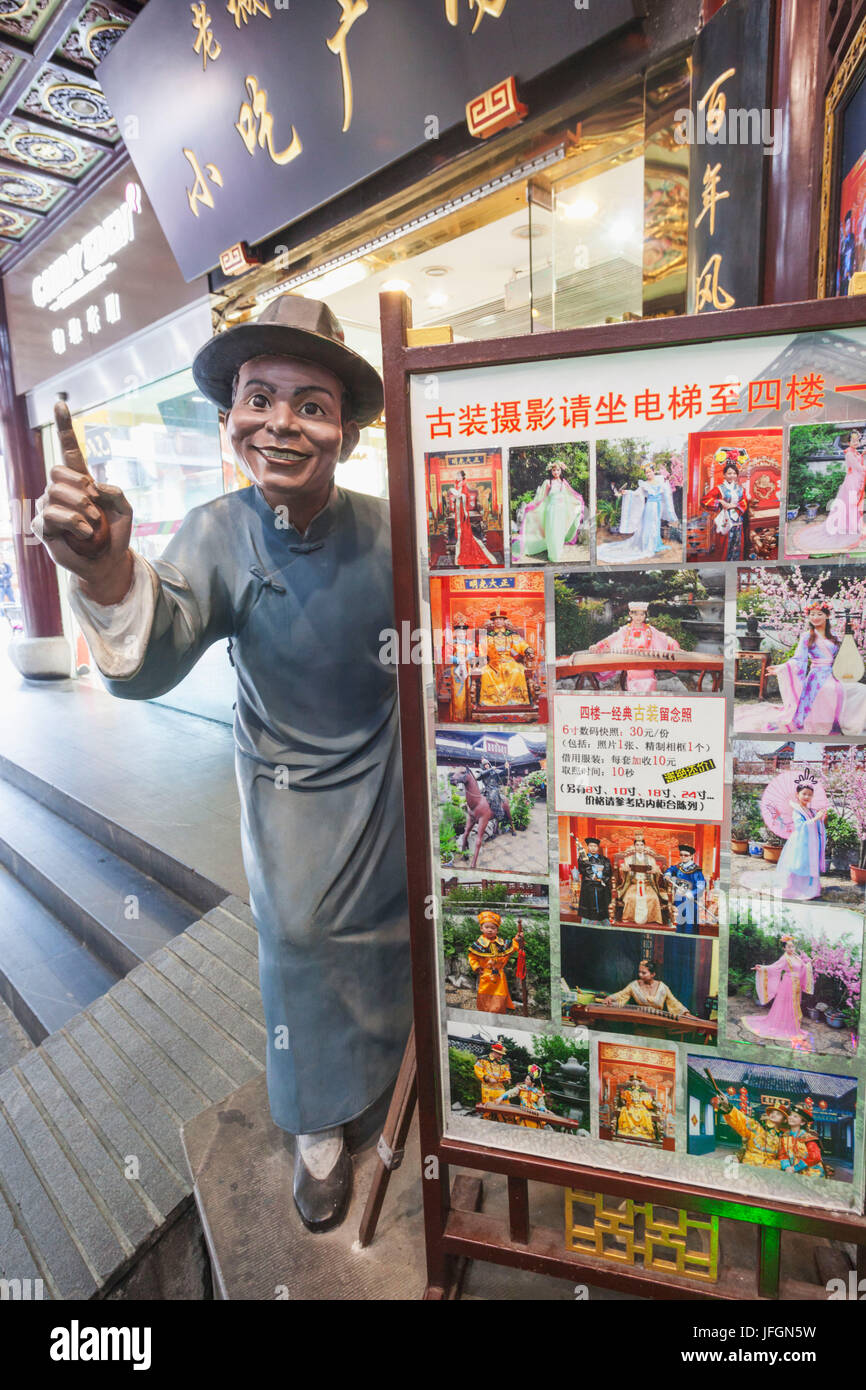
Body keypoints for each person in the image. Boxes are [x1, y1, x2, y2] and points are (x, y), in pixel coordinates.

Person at [33, 294, 412, 1235]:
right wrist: (107, 572)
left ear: (350, 436)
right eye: (260, 397)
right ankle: (318, 1122)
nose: (282, 422)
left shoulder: (388, 525)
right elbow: (157, 647)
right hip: (285, 776)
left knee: (409, 923)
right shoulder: (214, 529)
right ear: (230, 419)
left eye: (311, 404)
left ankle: (408, 1072)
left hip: (389, 762)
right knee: (298, 932)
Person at [584, 600, 681, 695]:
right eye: (636, 614)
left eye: (642, 614)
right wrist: (598, 645)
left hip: (647, 663)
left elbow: (665, 638)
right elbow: (611, 639)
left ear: (645, 615)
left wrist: (675, 646)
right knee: (634, 686)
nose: (639, 617)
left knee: (649, 683)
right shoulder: (626, 630)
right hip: (632, 664)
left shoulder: (650, 630)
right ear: (630, 614)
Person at [796, 429, 865, 553]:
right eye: (853, 440)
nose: (856, 442)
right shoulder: (849, 453)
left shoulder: (854, 452)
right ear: (848, 442)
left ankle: (851, 527)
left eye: (857, 440)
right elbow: (859, 468)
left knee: (852, 506)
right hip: (851, 483)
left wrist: (863, 454)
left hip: (854, 481)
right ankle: (845, 528)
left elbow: (859, 464)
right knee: (849, 506)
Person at [597, 465, 679, 564]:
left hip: (658, 507)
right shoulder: (645, 484)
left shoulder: (660, 480)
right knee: (649, 525)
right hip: (650, 506)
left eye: (650, 472)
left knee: (655, 525)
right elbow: (636, 493)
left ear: (653, 471)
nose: (648, 474)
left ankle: (655, 544)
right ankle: (648, 546)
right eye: (646, 473)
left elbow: (666, 494)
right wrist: (626, 492)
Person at [743, 934, 814, 1043]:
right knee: (786, 1004)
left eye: (792, 946)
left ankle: (791, 1025)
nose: (791, 948)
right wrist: (762, 968)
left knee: (794, 1005)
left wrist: (811, 963)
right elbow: (774, 967)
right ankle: (785, 1026)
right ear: (784, 948)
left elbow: (803, 968)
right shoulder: (785, 958)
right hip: (788, 984)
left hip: (796, 985)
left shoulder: (796, 957)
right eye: (789, 947)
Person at [514, 458, 585, 563]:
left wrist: (578, 502)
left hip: (561, 511)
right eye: (554, 470)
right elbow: (542, 498)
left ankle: (557, 551)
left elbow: (570, 496)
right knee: (552, 531)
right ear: (551, 471)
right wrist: (532, 506)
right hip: (551, 511)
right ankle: (553, 555)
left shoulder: (564, 483)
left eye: (558, 470)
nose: (556, 472)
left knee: (559, 532)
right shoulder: (548, 482)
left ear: (561, 471)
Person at [773, 774, 827, 901]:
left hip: (811, 841)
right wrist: (816, 818)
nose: (807, 797)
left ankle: (809, 889)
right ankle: (791, 889)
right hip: (800, 842)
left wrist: (819, 818)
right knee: (797, 864)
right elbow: (800, 826)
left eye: (809, 794)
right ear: (798, 794)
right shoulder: (797, 810)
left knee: (809, 865)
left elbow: (815, 825)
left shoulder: (811, 810)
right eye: (804, 793)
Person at [466, 910, 522, 1014]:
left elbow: (513, 947)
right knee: (484, 994)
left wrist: (517, 939)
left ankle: (498, 1012)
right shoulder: (478, 945)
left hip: (499, 976)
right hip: (486, 975)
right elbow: (472, 957)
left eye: (493, 928)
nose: (490, 930)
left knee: (500, 995)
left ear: (497, 930)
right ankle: (484, 1012)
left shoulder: (502, 944)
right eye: (487, 927)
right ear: (481, 928)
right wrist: (476, 966)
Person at [478, 607, 533, 708]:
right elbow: (482, 651)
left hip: (509, 661)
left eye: (501, 619)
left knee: (516, 671)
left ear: (504, 621)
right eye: (496, 619)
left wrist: (527, 650)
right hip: (493, 663)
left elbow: (521, 645)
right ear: (493, 622)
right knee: (486, 673)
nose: (498, 621)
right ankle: (491, 700)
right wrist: (481, 661)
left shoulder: (511, 635)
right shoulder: (487, 636)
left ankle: (515, 699)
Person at [603, 958, 690, 1018]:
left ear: (653, 974)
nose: (640, 975)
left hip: (658, 1022)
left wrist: (686, 1013)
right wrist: (610, 998)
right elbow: (621, 994)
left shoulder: (662, 987)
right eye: (639, 972)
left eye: (644, 973)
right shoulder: (634, 985)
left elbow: (674, 1003)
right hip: (640, 1021)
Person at [701, 453, 749, 561]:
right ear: (724, 475)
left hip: (738, 519)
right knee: (724, 544)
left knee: (737, 543)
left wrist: (734, 505)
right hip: (725, 518)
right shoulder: (719, 488)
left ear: (737, 474)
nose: (731, 476)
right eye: (729, 473)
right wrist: (720, 502)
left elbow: (744, 501)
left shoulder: (740, 489)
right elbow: (705, 500)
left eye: (734, 473)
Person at [716, 1095, 785, 1168]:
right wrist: (728, 1107)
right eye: (772, 1112)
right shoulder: (756, 1126)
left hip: (768, 1170)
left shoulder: (784, 1137)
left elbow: (784, 1158)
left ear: (784, 1120)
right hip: (749, 1165)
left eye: (778, 1114)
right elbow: (741, 1120)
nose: (774, 1115)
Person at [451, 469, 497, 567]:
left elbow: (466, 496)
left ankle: (464, 547)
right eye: (457, 475)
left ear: (463, 476)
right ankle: (461, 544)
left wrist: (460, 496)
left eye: (459, 475)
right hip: (458, 510)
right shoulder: (457, 485)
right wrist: (454, 498)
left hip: (462, 510)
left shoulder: (464, 485)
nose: (457, 477)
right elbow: (456, 498)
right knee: (460, 530)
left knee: (464, 531)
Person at [617, 834, 664, 925]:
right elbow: (622, 870)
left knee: (653, 898)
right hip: (633, 884)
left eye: (641, 845)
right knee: (630, 897)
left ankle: (653, 918)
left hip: (647, 884)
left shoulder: (650, 859)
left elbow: (658, 870)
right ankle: (629, 917)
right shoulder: (628, 858)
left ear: (644, 846)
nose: (639, 847)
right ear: (634, 846)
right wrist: (624, 870)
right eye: (637, 845)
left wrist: (655, 871)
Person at [663, 844, 706, 934]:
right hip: (679, 899)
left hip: (690, 900)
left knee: (689, 924)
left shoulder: (696, 871)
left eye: (686, 855)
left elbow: (701, 887)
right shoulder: (679, 867)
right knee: (680, 922)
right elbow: (671, 869)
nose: (683, 857)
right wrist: (668, 874)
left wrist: (692, 893)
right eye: (681, 855)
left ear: (691, 856)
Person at [573, 835, 613, 922]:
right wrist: (593, 876)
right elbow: (583, 870)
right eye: (591, 846)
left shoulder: (604, 859)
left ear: (598, 847)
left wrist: (601, 878)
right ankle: (589, 918)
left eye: (595, 846)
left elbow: (608, 872)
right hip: (589, 884)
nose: (593, 848)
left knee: (603, 894)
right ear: (588, 847)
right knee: (589, 897)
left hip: (601, 884)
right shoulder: (583, 858)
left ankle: (602, 917)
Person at [779, 1107, 828, 1178]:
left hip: (809, 1171)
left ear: (802, 1122)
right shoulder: (785, 1136)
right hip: (789, 1170)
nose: (791, 1117)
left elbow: (815, 1157)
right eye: (790, 1115)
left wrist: (795, 1168)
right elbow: (782, 1154)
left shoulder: (808, 1137)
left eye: (795, 1116)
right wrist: (787, 1167)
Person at [498, 1063, 549, 1128]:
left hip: (534, 1114)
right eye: (526, 1079)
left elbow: (541, 1104)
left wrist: (544, 1109)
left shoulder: (538, 1092)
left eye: (527, 1079)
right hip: (523, 1112)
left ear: (533, 1083)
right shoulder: (522, 1088)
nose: (525, 1080)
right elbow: (511, 1092)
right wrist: (501, 1097)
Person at [614, 1074, 659, 1142]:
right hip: (630, 1105)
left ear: (639, 1083)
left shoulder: (643, 1092)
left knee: (644, 1114)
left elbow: (648, 1101)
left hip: (640, 1106)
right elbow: (623, 1099)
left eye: (637, 1081)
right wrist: (626, 1100)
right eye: (633, 1081)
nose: (635, 1082)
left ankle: (643, 1132)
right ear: (631, 1082)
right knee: (627, 1112)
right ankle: (628, 1130)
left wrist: (641, 1100)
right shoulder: (628, 1091)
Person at [445, 616, 474, 721]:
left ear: (465, 633)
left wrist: (466, 658)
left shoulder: (469, 643)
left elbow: (473, 653)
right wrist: (458, 660)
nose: (461, 634)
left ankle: (468, 716)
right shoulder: (451, 643)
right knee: (459, 694)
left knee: (468, 691)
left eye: (463, 632)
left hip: (467, 669)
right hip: (457, 671)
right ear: (455, 633)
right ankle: (458, 717)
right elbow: (447, 656)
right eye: (459, 632)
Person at [474, 1041, 511, 1117]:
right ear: (494, 1052)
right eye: (499, 1054)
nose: (501, 1056)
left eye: (502, 1055)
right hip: (487, 1087)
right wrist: (487, 1078)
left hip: (500, 1088)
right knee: (489, 1106)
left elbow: (507, 1073)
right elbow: (477, 1070)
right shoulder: (483, 1059)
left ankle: (502, 1121)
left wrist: (507, 1079)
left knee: (503, 1105)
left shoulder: (505, 1063)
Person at [839, 209, 857, 296]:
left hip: (850, 277)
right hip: (844, 277)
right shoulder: (844, 242)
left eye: (851, 224)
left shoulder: (852, 240)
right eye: (848, 224)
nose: (849, 226)